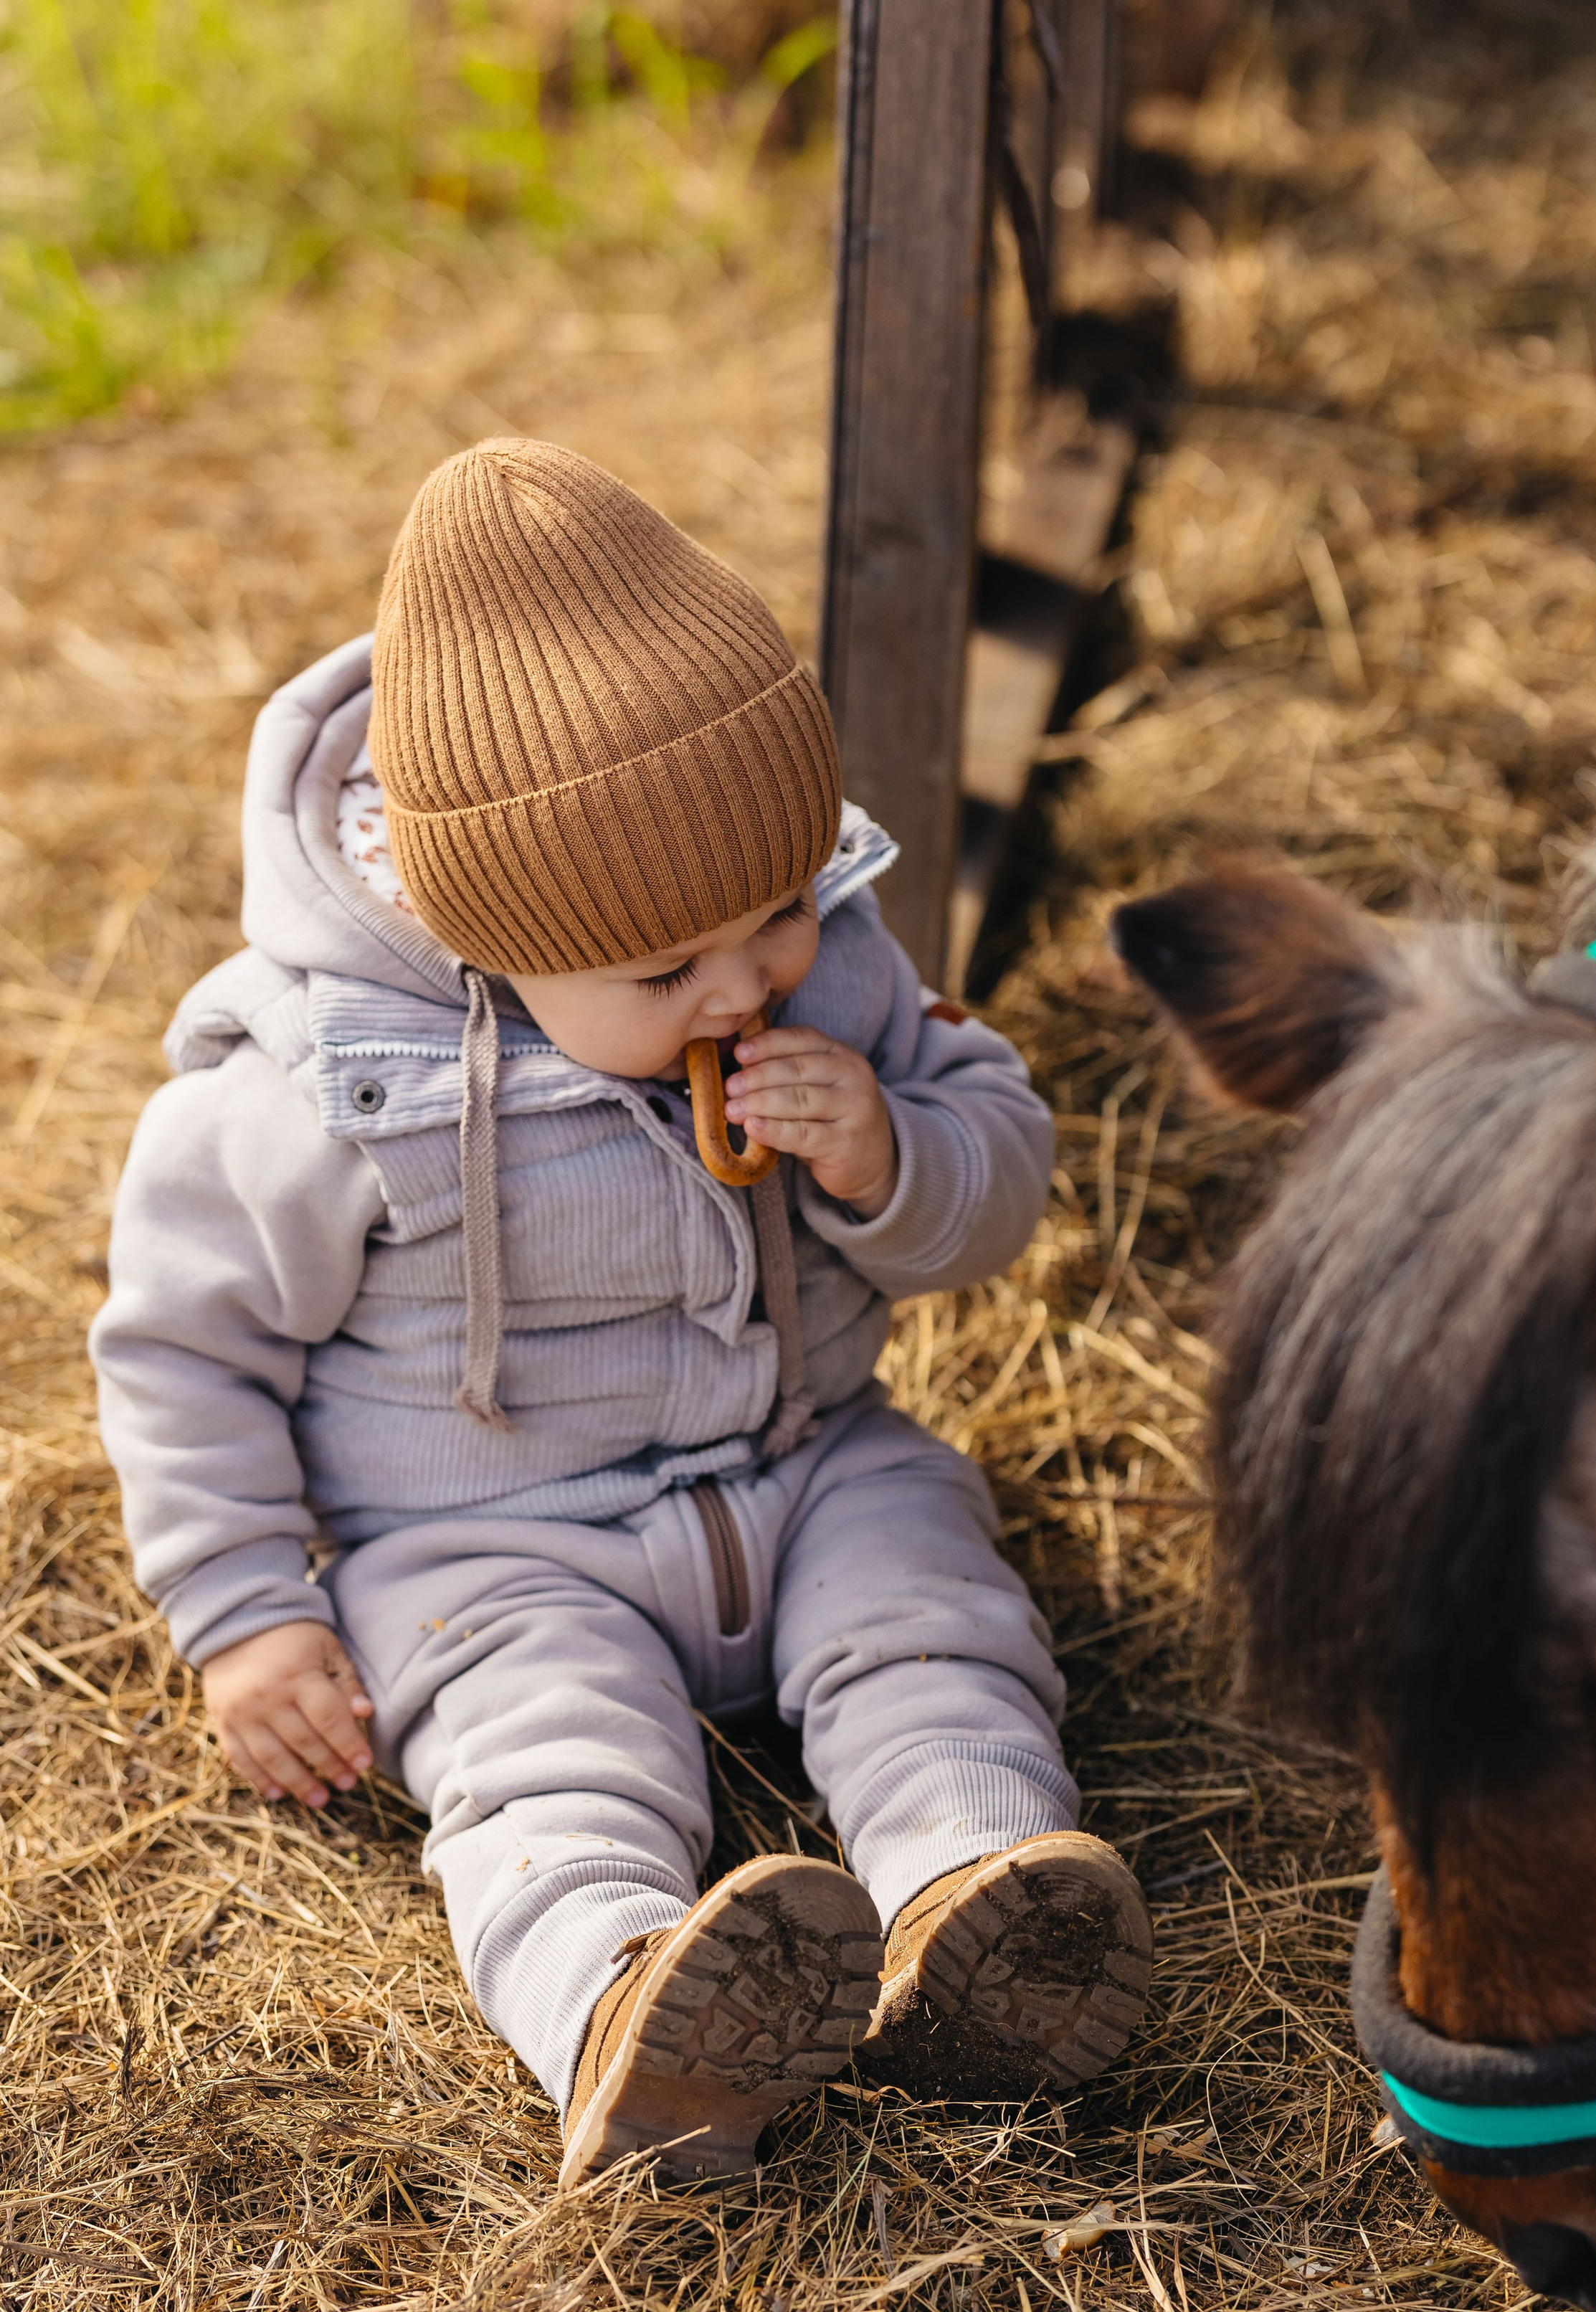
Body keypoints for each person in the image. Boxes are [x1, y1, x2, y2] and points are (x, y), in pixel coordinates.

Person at [92, 437, 1152, 2185]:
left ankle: (982, 1900)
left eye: (773, 917)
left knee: (928, 1599)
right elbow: (184, 1352)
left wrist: (892, 1150)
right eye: (669, 974)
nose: (741, 983)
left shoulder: (842, 964)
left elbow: (1003, 1171)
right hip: (492, 1544)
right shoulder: (317, 1091)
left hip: (803, 1459)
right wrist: (246, 1615)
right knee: (543, 1755)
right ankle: (624, 2008)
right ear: (486, 939)